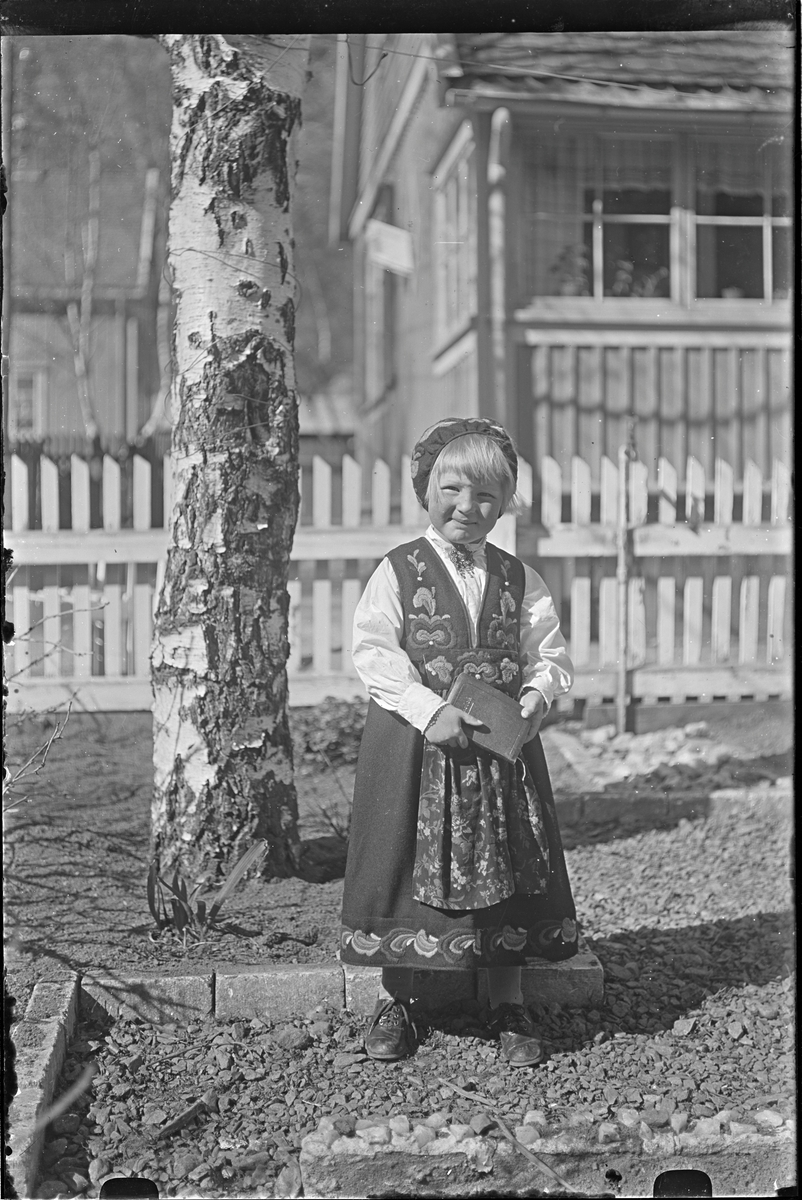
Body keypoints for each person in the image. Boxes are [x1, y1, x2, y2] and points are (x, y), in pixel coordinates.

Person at [340, 417, 577, 1068]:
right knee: (407, 863)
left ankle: (508, 1001)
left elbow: (547, 653)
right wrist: (426, 709)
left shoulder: (517, 576)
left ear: (504, 506)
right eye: (452, 490)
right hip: (420, 745)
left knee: (509, 867)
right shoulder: (399, 571)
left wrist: (534, 698)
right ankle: (404, 999)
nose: (466, 509)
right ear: (426, 491)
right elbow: (374, 654)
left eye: (485, 498)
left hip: (499, 754)